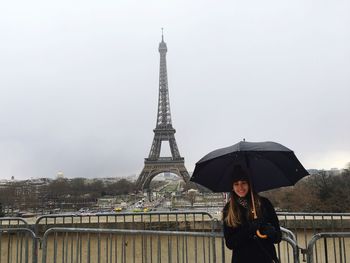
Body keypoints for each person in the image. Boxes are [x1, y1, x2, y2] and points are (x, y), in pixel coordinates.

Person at [222, 165, 282, 263]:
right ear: (232, 187)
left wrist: (271, 232)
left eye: (244, 183)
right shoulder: (228, 209)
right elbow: (230, 243)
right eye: (236, 184)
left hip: (265, 258)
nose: (240, 187)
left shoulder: (265, 204)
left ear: (249, 184)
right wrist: (249, 229)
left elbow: (278, 237)